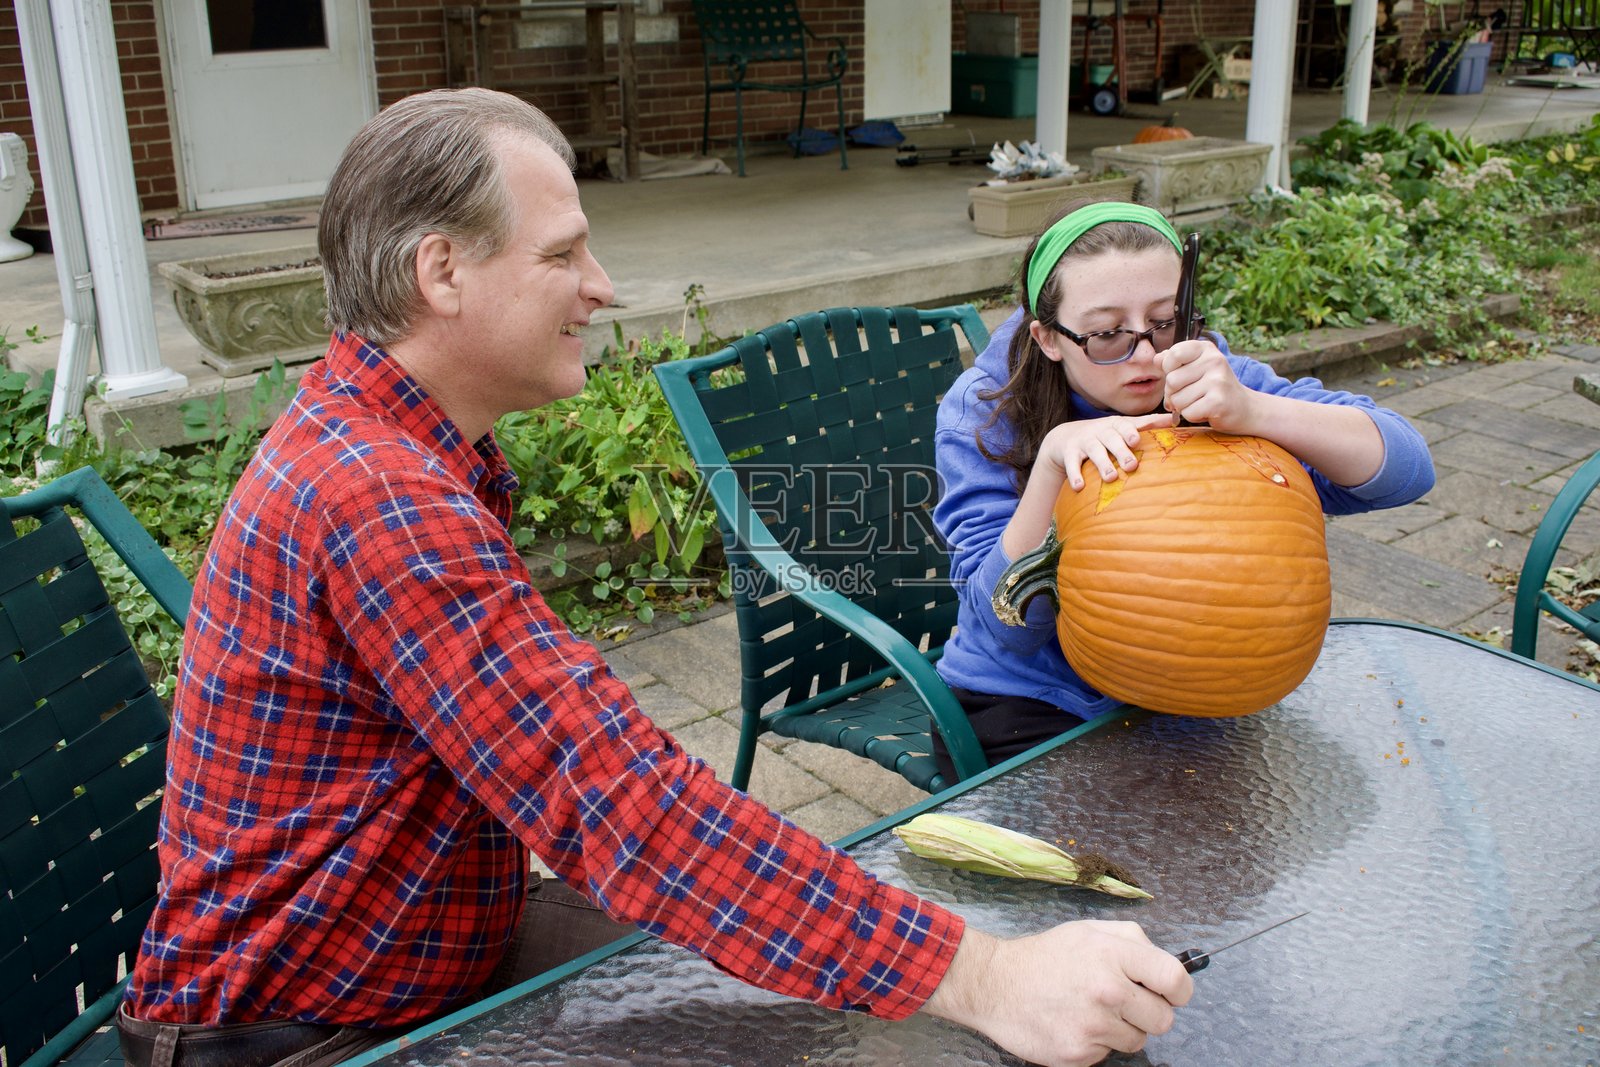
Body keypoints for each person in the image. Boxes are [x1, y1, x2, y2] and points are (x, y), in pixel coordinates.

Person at [116, 91, 1191, 1067]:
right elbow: (617, 800)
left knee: (838, 1006)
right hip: (299, 1030)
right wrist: (985, 972)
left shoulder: (398, 449)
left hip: (425, 939)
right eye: (563, 254)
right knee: (892, 1029)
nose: (601, 286)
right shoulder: (377, 500)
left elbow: (591, 778)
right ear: (441, 272)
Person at [932, 200, 1435, 779]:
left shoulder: (1212, 378)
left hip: (1197, 694)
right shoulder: (984, 412)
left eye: (1165, 321)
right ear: (1049, 339)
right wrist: (1050, 470)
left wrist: (1254, 411)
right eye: (1105, 334)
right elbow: (1004, 628)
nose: (1145, 355)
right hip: (1033, 706)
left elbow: (1408, 469)